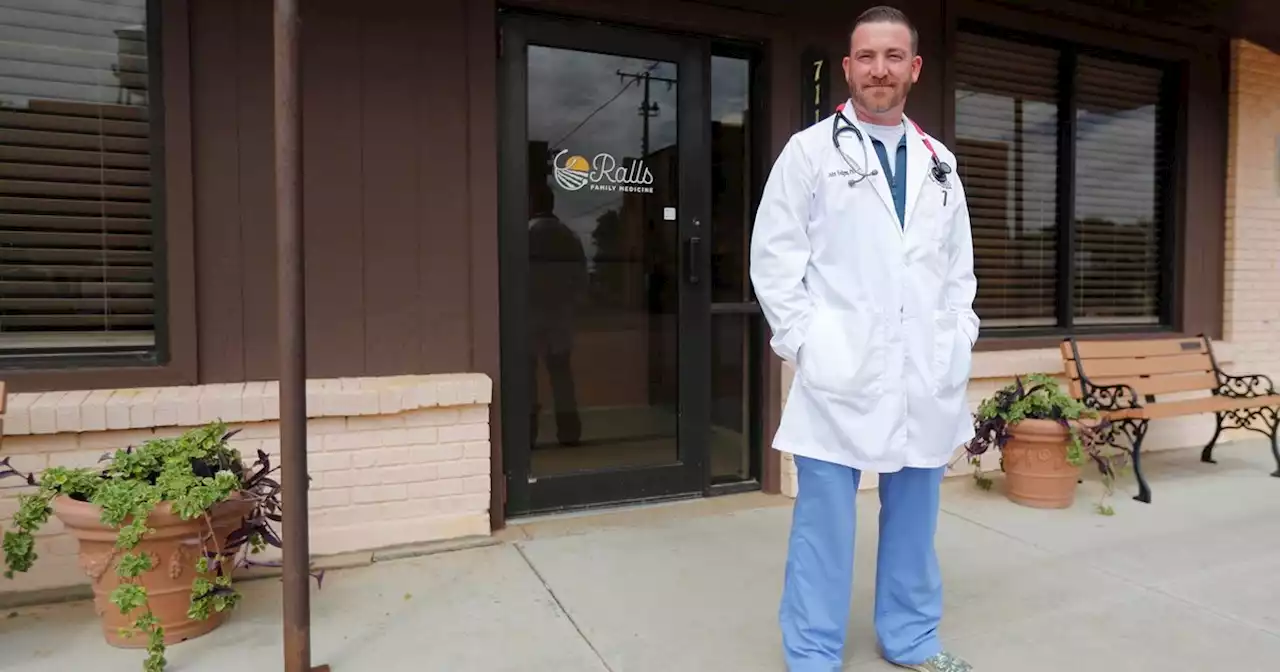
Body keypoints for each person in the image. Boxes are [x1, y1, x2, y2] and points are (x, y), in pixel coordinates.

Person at [749, 6, 978, 672]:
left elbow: (956, 271)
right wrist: (807, 343)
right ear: (848, 68)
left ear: (914, 68)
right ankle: (814, 655)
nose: (880, 69)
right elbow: (774, 260)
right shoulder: (811, 152)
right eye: (867, 57)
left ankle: (911, 640)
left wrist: (956, 339)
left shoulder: (940, 164)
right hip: (838, 369)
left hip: (924, 372)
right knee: (825, 526)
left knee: (914, 521)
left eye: (893, 56)